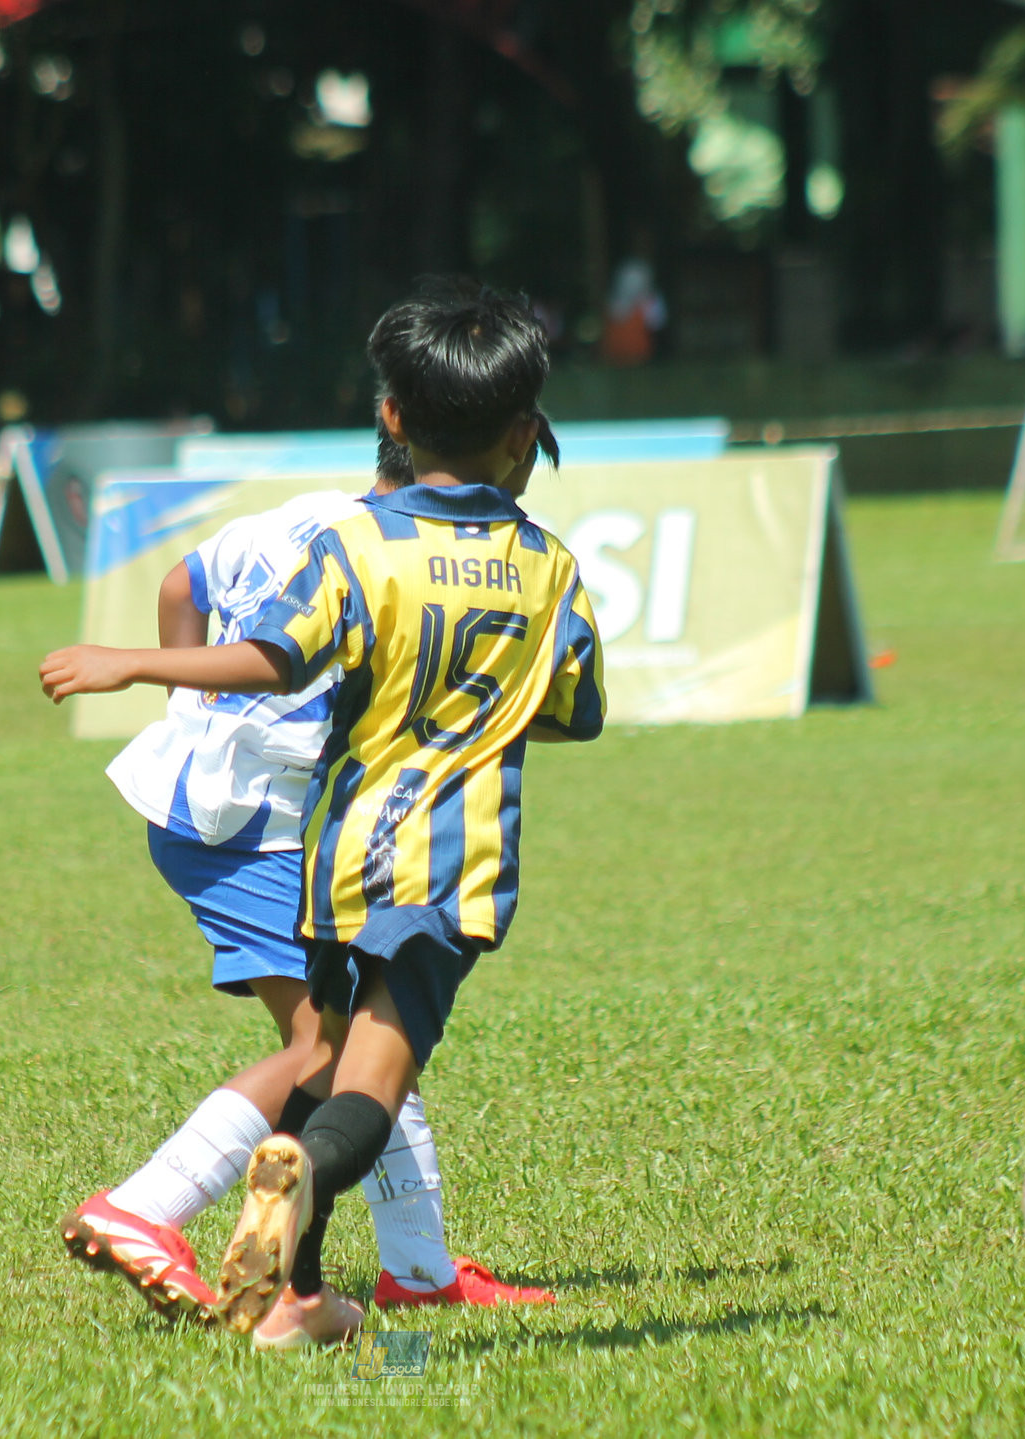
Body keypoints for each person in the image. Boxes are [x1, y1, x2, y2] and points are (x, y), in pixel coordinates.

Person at [41, 279, 606, 1349]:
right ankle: (148, 1206)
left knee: (349, 1044)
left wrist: (170, 696)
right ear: (522, 434)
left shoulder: (320, 529)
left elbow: (190, 588)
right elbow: (572, 709)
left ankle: (383, 1282)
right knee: (327, 1055)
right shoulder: (527, 561)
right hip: (322, 831)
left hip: (287, 826)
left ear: (390, 414)